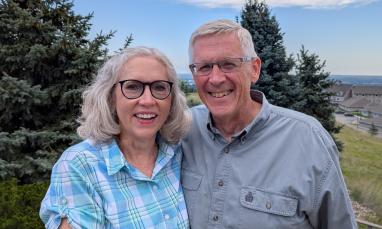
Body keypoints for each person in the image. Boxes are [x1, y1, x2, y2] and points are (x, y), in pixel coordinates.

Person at [181, 19, 357, 228]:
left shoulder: (308, 140)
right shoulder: (183, 129)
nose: (216, 78)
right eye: (204, 67)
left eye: (228, 64)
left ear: (254, 69)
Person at [40, 46, 191, 228]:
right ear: (111, 97)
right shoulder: (79, 166)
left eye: (159, 87)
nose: (148, 100)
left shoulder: (177, 152)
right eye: (133, 87)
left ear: (171, 99)